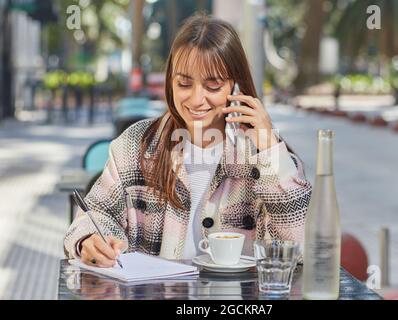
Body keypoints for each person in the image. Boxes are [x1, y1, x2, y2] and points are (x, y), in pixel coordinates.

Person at [64, 13, 312, 268]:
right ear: (171, 83)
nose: (196, 100)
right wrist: (91, 239)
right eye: (184, 84)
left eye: (213, 86)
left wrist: (270, 150)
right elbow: (94, 213)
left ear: (236, 87)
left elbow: (301, 250)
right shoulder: (136, 144)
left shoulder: (262, 156)